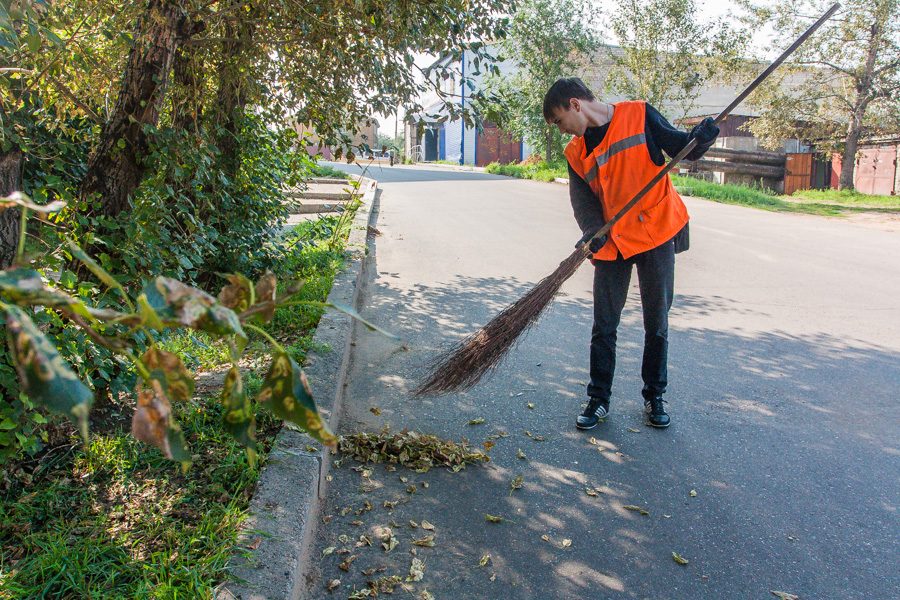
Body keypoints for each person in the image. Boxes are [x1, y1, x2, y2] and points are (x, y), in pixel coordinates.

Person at [542, 77, 719, 430]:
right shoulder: (575, 153)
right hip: (613, 242)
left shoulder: (638, 115)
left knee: (657, 322)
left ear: (575, 104)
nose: (562, 131)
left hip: (655, 233)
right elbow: (584, 202)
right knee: (604, 324)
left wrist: (703, 136)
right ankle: (598, 398)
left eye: (560, 121)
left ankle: (655, 396)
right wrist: (592, 233)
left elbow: (682, 146)